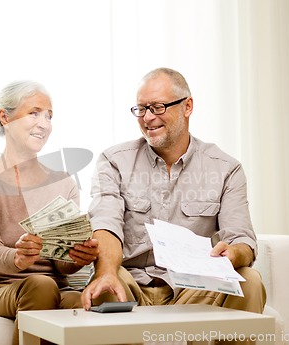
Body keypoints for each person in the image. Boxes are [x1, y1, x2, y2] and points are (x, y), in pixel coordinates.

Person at [82, 68, 266, 342]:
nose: (147, 118)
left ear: (187, 106)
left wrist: (234, 254)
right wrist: (107, 272)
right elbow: (105, 224)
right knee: (110, 284)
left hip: (194, 288)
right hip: (134, 286)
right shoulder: (114, 160)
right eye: (141, 109)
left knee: (249, 280)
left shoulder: (226, 168)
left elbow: (241, 239)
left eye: (157, 107)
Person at [0, 80, 98, 345]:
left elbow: (62, 265)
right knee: (42, 285)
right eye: (33, 113)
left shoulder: (64, 183)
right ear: (5, 117)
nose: (44, 123)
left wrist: (79, 256)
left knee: (96, 299)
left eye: (49, 116)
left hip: (53, 288)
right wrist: (18, 258)